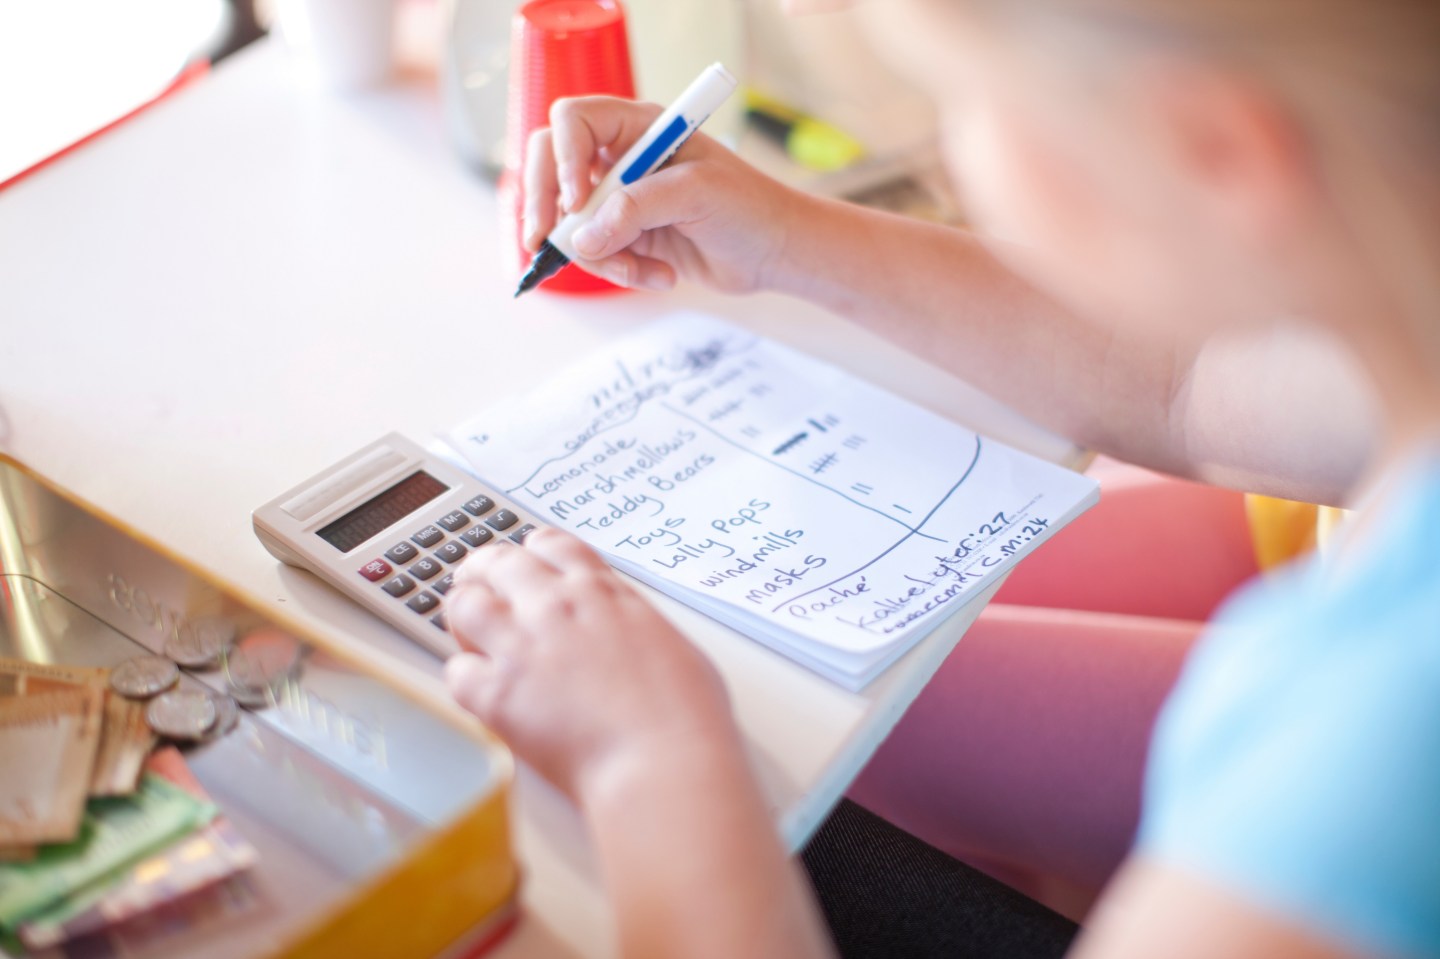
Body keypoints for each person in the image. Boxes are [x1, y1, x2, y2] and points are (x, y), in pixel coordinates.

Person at [443, 0, 1440, 955]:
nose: (954, 148)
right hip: (1304, 559)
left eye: (961, 98)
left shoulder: (1365, 755)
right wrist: (781, 234)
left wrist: (649, 765)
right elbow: (1190, 387)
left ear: (1220, 148)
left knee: (768, 714)